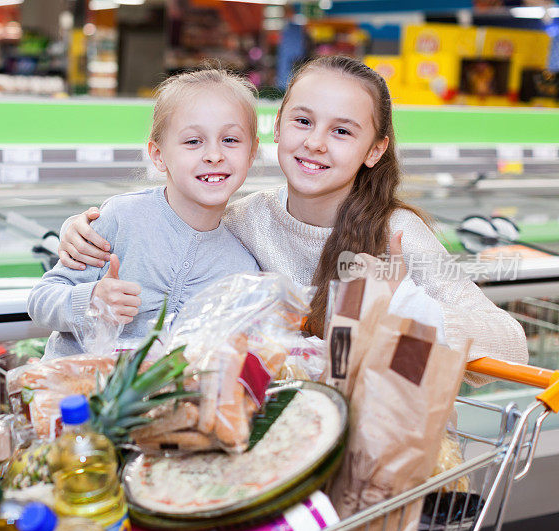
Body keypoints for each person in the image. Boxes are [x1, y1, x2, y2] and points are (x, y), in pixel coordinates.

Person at [57, 56, 528, 384]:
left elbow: (511, 344)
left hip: (379, 447)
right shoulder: (244, 219)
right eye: (303, 122)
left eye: (342, 131)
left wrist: (407, 312)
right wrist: (80, 228)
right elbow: (172, 216)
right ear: (277, 125)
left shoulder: (398, 236)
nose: (317, 142)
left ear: (375, 149)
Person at [28, 68, 260, 357]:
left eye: (231, 140)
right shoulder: (121, 218)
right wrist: (91, 300)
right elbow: (40, 302)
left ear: (252, 153)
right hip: (75, 394)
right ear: (158, 156)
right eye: (193, 141)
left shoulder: (242, 266)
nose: (214, 155)